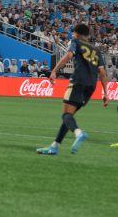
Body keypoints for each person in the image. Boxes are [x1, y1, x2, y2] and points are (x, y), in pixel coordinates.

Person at [37, 23, 109, 155]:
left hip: (78, 82)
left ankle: (78, 133)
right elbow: (103, 73)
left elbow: (69, 55)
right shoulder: (96, 50)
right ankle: (54, 146)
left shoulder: (76, 42)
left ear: (76, 33)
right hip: (91, 86)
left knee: (66, 115)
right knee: (69, 117)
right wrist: (106, 93)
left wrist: (54, 71)